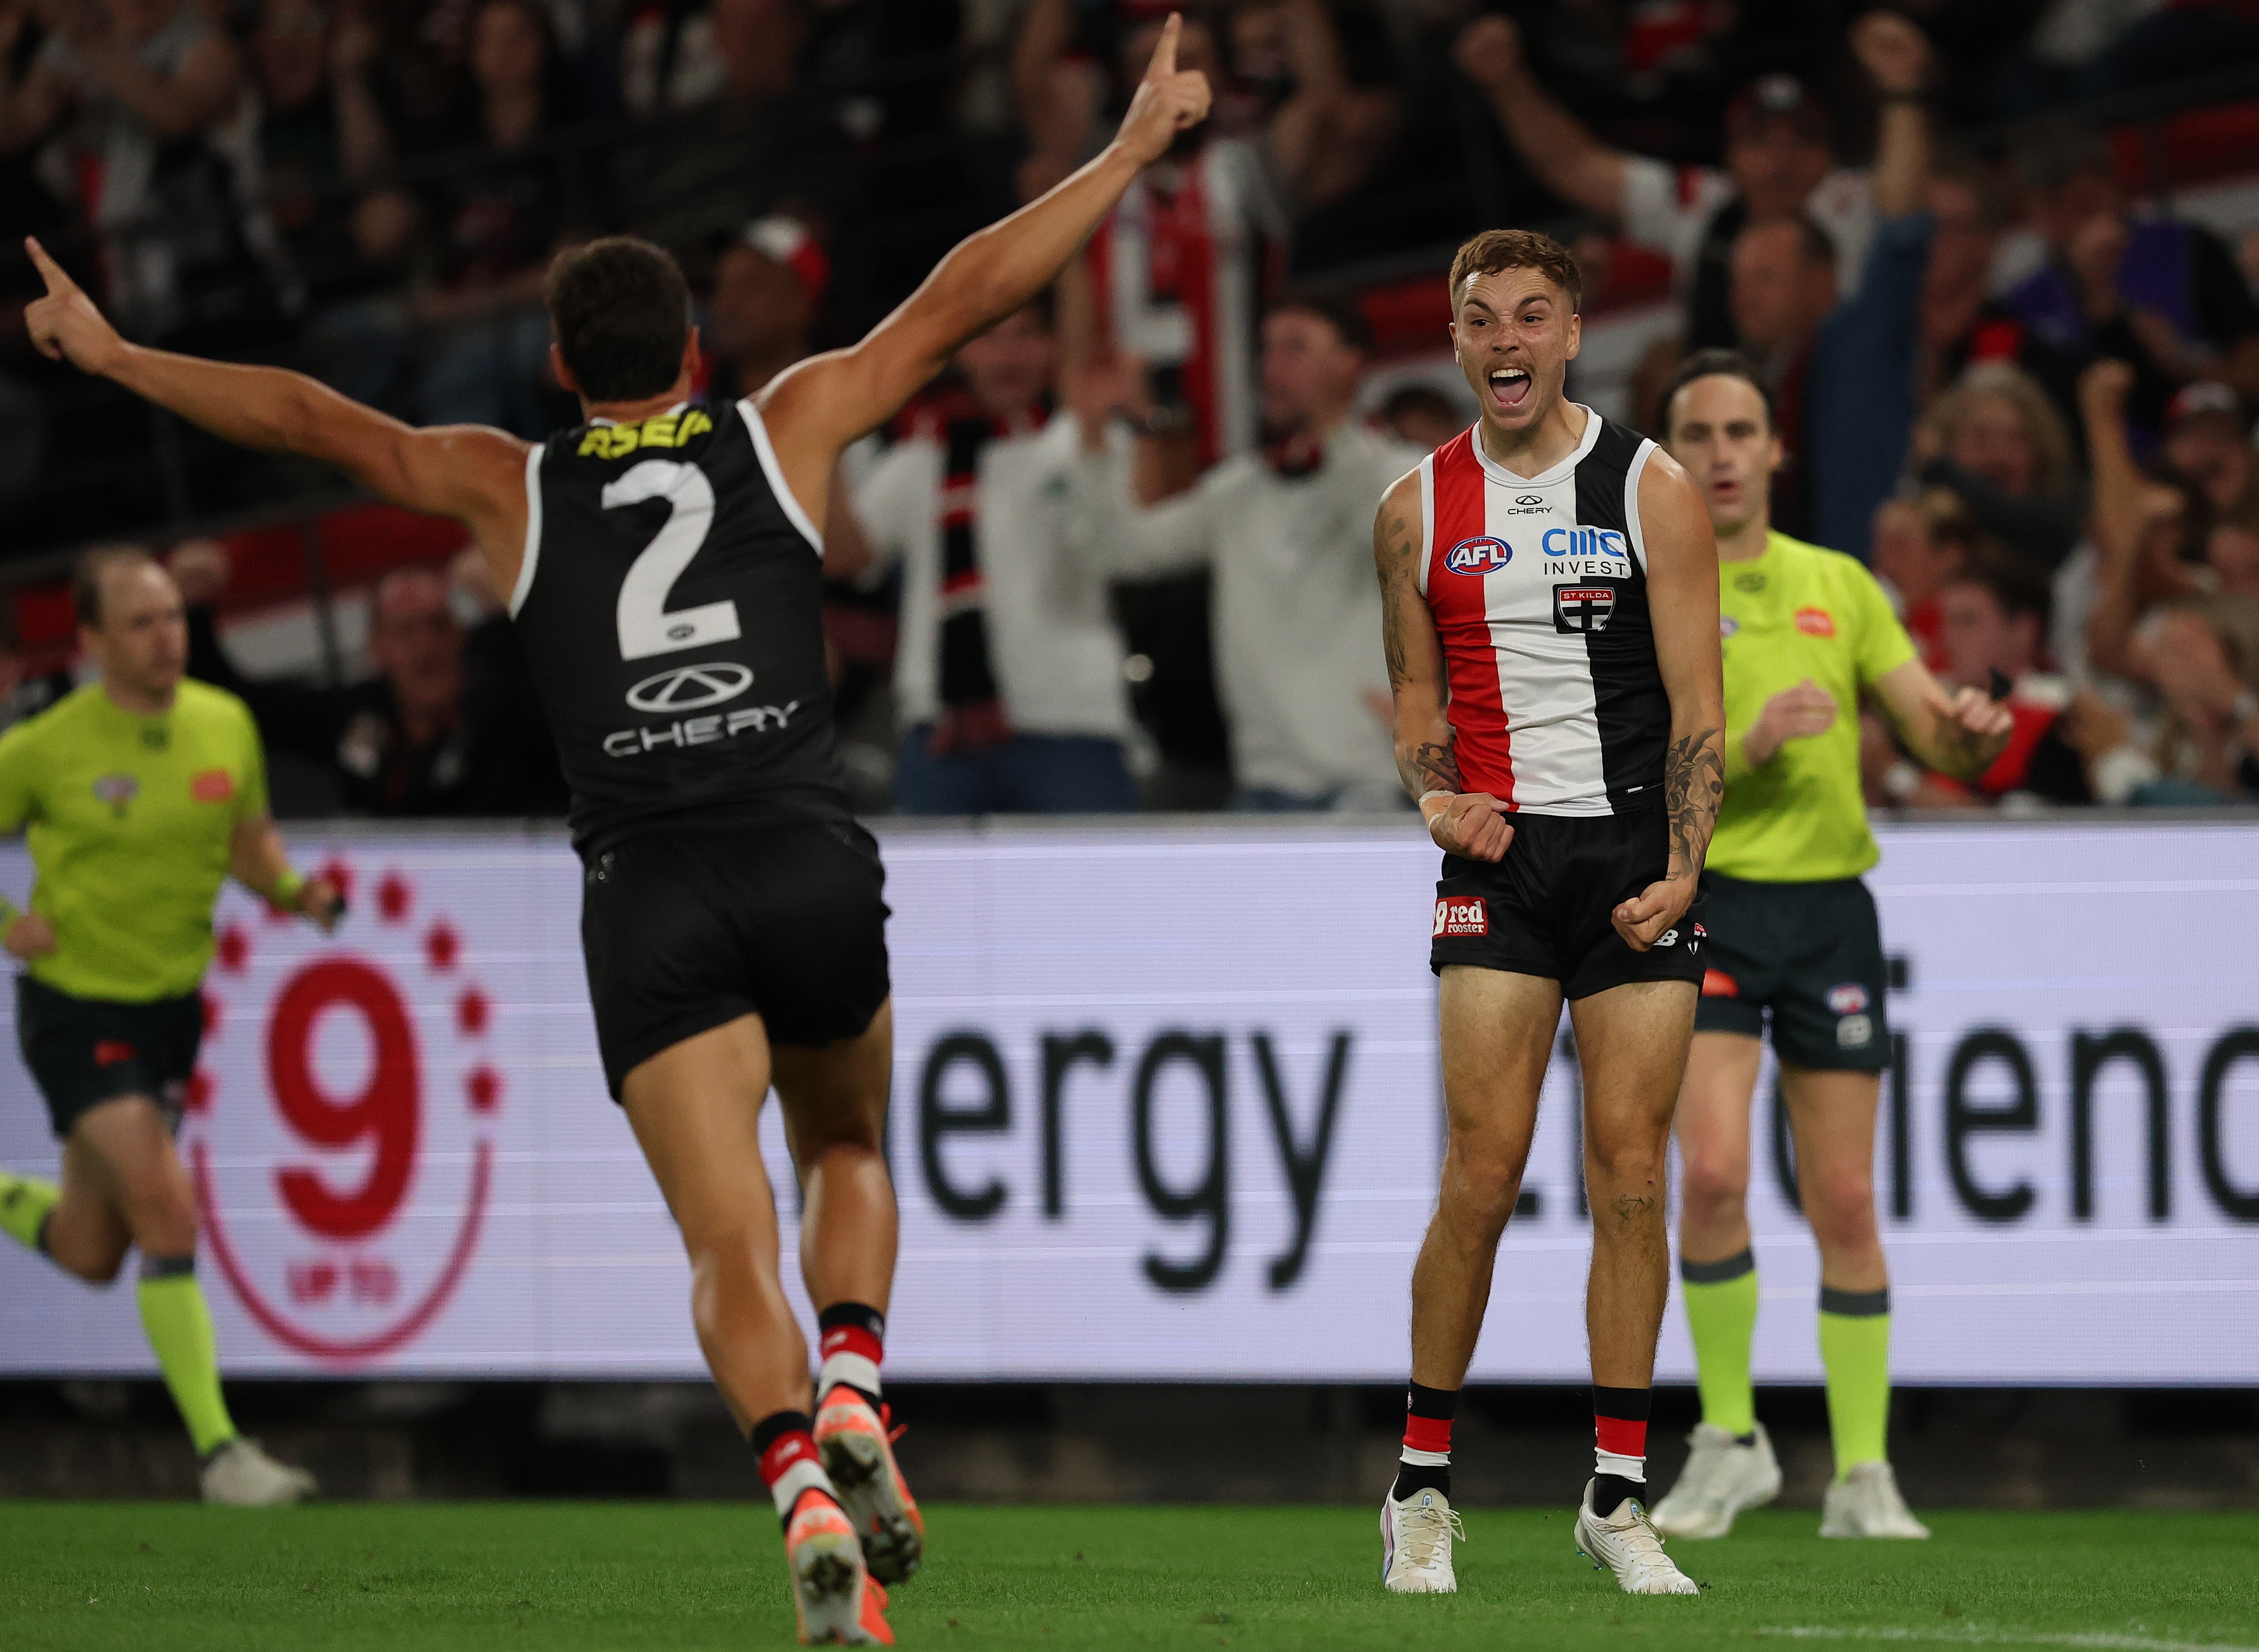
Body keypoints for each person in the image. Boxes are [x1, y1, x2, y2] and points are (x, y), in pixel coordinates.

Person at [24, 24, 1209, 1639]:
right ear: (697, 350)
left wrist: (114, 355)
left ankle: (799, 1477)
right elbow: (966, 291)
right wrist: (1130, 149)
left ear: (562, 371)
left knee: (724, 1235)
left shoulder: (505, 482)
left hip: (646, 886)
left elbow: (308, 418)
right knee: (846, 1148)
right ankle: (854, 1380)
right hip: (799, 850)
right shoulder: (780, 427)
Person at [1369, 229, 1726, 1597]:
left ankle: (1617, 1493)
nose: (1504, 340)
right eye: (1478, 319)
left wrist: (1685, 863)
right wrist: (1432, 796)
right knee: (1480, 1165)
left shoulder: (1652, 490)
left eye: (1529, 314)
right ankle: (1417, 1483)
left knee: (1629, 1171)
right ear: (1454, 343)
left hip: (1632, 854)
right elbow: (1414, 700)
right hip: (1500, 864)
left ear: (1571, 329)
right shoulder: (1409, 507)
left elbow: (1698, 707)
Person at [1639, 350, 2012, 1543]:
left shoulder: (1838, 584)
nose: (1726, 452)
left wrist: (1964, 729)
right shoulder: (1646, 593)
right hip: (1715, 897)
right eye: (1700, 433)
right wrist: (1744, 744)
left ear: (1774, 448)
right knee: (1707, 1174)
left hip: (1829, 912)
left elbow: (1933, 736)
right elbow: (1634, 779)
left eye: (1743, 429)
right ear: (1670, 456)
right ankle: (1729, 1436)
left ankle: (1861, 1470)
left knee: (1846, 1194)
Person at [0, 547, 342, 1504]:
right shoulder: (48, 744)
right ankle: (221, 1454)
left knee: (90, 1249)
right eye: (142, 623)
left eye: (174, 618)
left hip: (168, 1014)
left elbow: (247, 838)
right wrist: (7, 925)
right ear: (92, 641)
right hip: (74, 1008)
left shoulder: (222, 722)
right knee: (169, 1210)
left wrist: (290, 889)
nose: (167, 638)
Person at [1067, 291, 1418, 811]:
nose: (1272, 366)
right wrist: (1097, 440)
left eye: (1295, 348)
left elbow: (1389, 533)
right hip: (1260, 784)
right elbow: (1124, 554)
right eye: (1267, 349)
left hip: (1369, 785)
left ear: (1348, 363)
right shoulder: (1238, 491)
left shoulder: (1405, 473)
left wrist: (1333, 427)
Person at [1452, 12, 1934, 355]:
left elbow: (1905, 210)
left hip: (1837, 382)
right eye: (1761, 143)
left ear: (1828, 156)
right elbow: (1575, 164)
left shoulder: (1852, 199)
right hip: (1726, 389)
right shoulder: (1700, 201)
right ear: (1731, 159)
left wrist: (1901, 86)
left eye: (1801, 142)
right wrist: (1506, 81)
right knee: (1662, 369)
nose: (1781, 161)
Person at [840, 297, 1140, 815]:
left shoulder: (1086, 441)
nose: (1009, 355)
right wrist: (818, 451)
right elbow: (847, 558)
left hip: (1072, 725)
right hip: (942, 735)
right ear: (961, 354)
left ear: (1052, 348)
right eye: (990, 338)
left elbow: (1136, 545)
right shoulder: (917, 460)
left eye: (1025, 336)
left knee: (1095, 899)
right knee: (938, 901)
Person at [175, 544, 560, 817]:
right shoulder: (359, 716)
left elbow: (567, 678)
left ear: (462, 636)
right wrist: (190, 612)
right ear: (376, 647)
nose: (426, 644)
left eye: (438, 625)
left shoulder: (505, 701)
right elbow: (242, 704)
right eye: (406, 630)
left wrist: (511, 607)